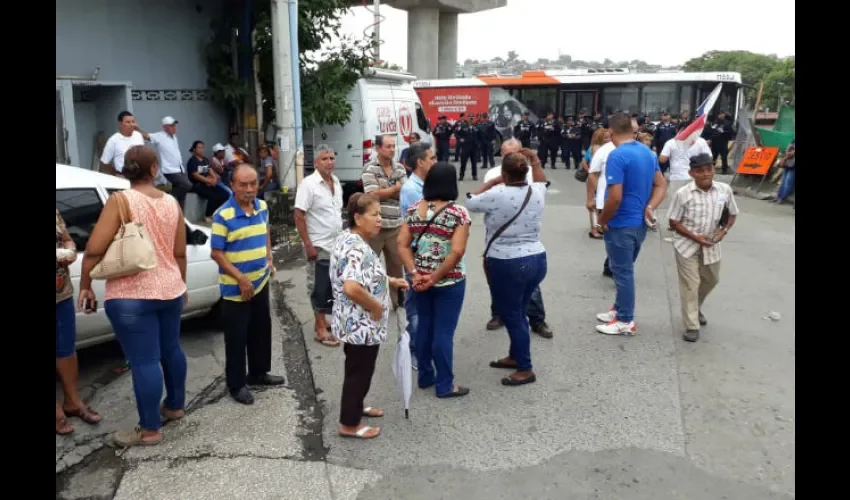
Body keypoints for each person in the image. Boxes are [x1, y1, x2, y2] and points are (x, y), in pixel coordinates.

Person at [79, 145, 188, 447]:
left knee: (144, 361)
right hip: (170, 289)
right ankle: (175, 405)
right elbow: (179, 252)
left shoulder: (120, 200)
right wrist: (182, 284)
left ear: (126, 169)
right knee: (172, 350)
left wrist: (86, 284)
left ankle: (150, 430)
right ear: (154, 169)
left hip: (131, 296)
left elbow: (94, 249)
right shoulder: (171, 202)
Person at [330, 193, 409, 439]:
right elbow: (352, 287)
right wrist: (376, 306)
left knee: (360, 368)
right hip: (361, 323)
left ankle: (356, 406)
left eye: (381, 215)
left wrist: (389, 281)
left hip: (353, 321)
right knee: (359, 371)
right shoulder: (357, 248)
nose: (380, 221)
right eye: (374, 215)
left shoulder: (349, 237)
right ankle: (349, 423)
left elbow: (364, 275)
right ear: (357, 217)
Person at [467, 149, 548, 387]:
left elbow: (470, 200)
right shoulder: (538, 190)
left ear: (504, 173)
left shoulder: (496, 193)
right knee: (519, 310)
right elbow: (542, 179)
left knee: (512, 315)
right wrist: (535, 159)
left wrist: (492, 181)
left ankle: (525, 367)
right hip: (536, 256)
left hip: (507, 261)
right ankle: (515, 356)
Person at [211, 164, 285, 405]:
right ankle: (236, 384)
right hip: (236, 288)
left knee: (261, 330)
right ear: (232, 185)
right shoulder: (223, 215)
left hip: (261, 281)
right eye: (243, 184)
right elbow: (217, 253)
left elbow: (265, 232)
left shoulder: (262, 207)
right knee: (237, 336)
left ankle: (258, 373)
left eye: (253, 183)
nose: (249, 189)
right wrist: (241, 279)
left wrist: (269, 257)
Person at [398, 162, 471, 398]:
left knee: (424, 328)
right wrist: (435, 276)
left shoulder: (413, 210)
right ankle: (445, 384)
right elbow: (457, 251)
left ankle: (425, 375)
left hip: (419, 281)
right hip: (449, 281)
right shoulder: (458, 213)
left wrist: (414, 272)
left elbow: (402, 244)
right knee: (444, 332)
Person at [594, 113, 667, 336]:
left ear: (610, 132)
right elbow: (661, 185)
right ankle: (619, 309)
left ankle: (625, 319)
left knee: (622, 272)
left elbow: (615, 197)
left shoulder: (617, 156)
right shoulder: (647, 152)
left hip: (621, 222)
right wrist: (651, 206)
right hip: (639, 223)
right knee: (623, 269)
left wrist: (601, 220)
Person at [482, 139, 552, 338]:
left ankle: (537, 319)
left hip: (523, 239)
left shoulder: (528, 173)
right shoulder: (493, 174)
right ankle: (498, 314)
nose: (510, 158)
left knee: (529, 283)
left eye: (514, 154)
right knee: (496, 279)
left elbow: (541, 191)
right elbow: (482, 201)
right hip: (498, 236)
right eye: (505, 154)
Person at [668, 153, 739, 342]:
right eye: (700, 171)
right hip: (686, 245)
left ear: (714, 170)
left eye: (709, 169)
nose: (705, 174)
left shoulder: (724, 190)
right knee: (690, 285)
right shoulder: (682, 194)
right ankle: (691, 325)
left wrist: (723, 231)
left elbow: (732, 214)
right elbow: (673, 221)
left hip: (711, 244)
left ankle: (695, 307)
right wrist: (695, 237)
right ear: (692, 173)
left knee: (712, 280)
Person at [56, 211, 101, 435]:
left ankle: (72, 402)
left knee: (66, 350)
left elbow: (65, 237)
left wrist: (70, 249)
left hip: (61, 293)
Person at [294, 144, 343, 347]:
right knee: (319, 287)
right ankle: (320, 328)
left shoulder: (336, 182)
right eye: (324, 159)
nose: (329, 162)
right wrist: (308, 245)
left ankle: (323, 321)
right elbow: (298, 214)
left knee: (332, 285)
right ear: (316, 162)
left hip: (336, 244)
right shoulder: (309, 184)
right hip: (319, 244)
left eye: (331, 158)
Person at [399, 142, 438, 368]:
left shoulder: (425, 184)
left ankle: (425, 345)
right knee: (415, 306)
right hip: (416, 254)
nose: (434, 162)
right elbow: (430, 219)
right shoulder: (413, 189)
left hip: (427, 252)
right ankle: (415, 351)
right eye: (431, 158)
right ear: (420, 162)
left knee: (425, 303)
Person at [362, 134, 407, 309]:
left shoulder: (400, 168)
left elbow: (403, 193)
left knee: (396, 266)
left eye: (393, 146)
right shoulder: (370, 168)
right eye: (388, 146)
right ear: (378, 148)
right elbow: (371, 195)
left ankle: (397, 302)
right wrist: (394, 188)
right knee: (370, 266)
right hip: (375, 228)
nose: (392, 150)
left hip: (396, 226)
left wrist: (385, 191)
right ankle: (369, 302)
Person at [186, 140, 230, 221]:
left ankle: (217, 213)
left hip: (209, 183)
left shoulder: (205, 160)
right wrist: (207, 181)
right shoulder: (192, 161)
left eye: (202, 147)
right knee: (213, 196)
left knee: (225, 194)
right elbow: (195, 175)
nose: (201, 149)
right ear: (194, 149)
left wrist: (214, 179)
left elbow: (210, 171)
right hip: (198, 185)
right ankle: (208, 215)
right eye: (199, 148)